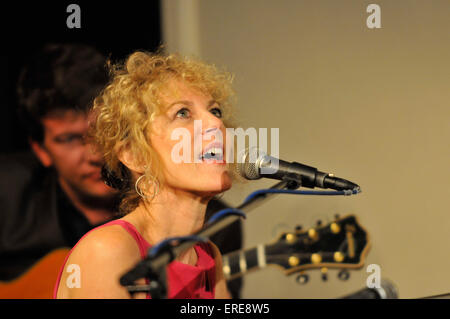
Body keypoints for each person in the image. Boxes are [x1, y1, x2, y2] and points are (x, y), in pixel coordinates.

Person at [54, 50, 240, 299]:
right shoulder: (108, 249)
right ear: (135, 155)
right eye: (182, 113)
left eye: (215, 111)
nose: (216, 124)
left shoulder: (208, 254)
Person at [0, 44, 120, 295]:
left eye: (103, 132)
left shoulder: (185, 215)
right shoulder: (7, 194)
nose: (96, 155)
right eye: (70, 139)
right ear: (41, 151)